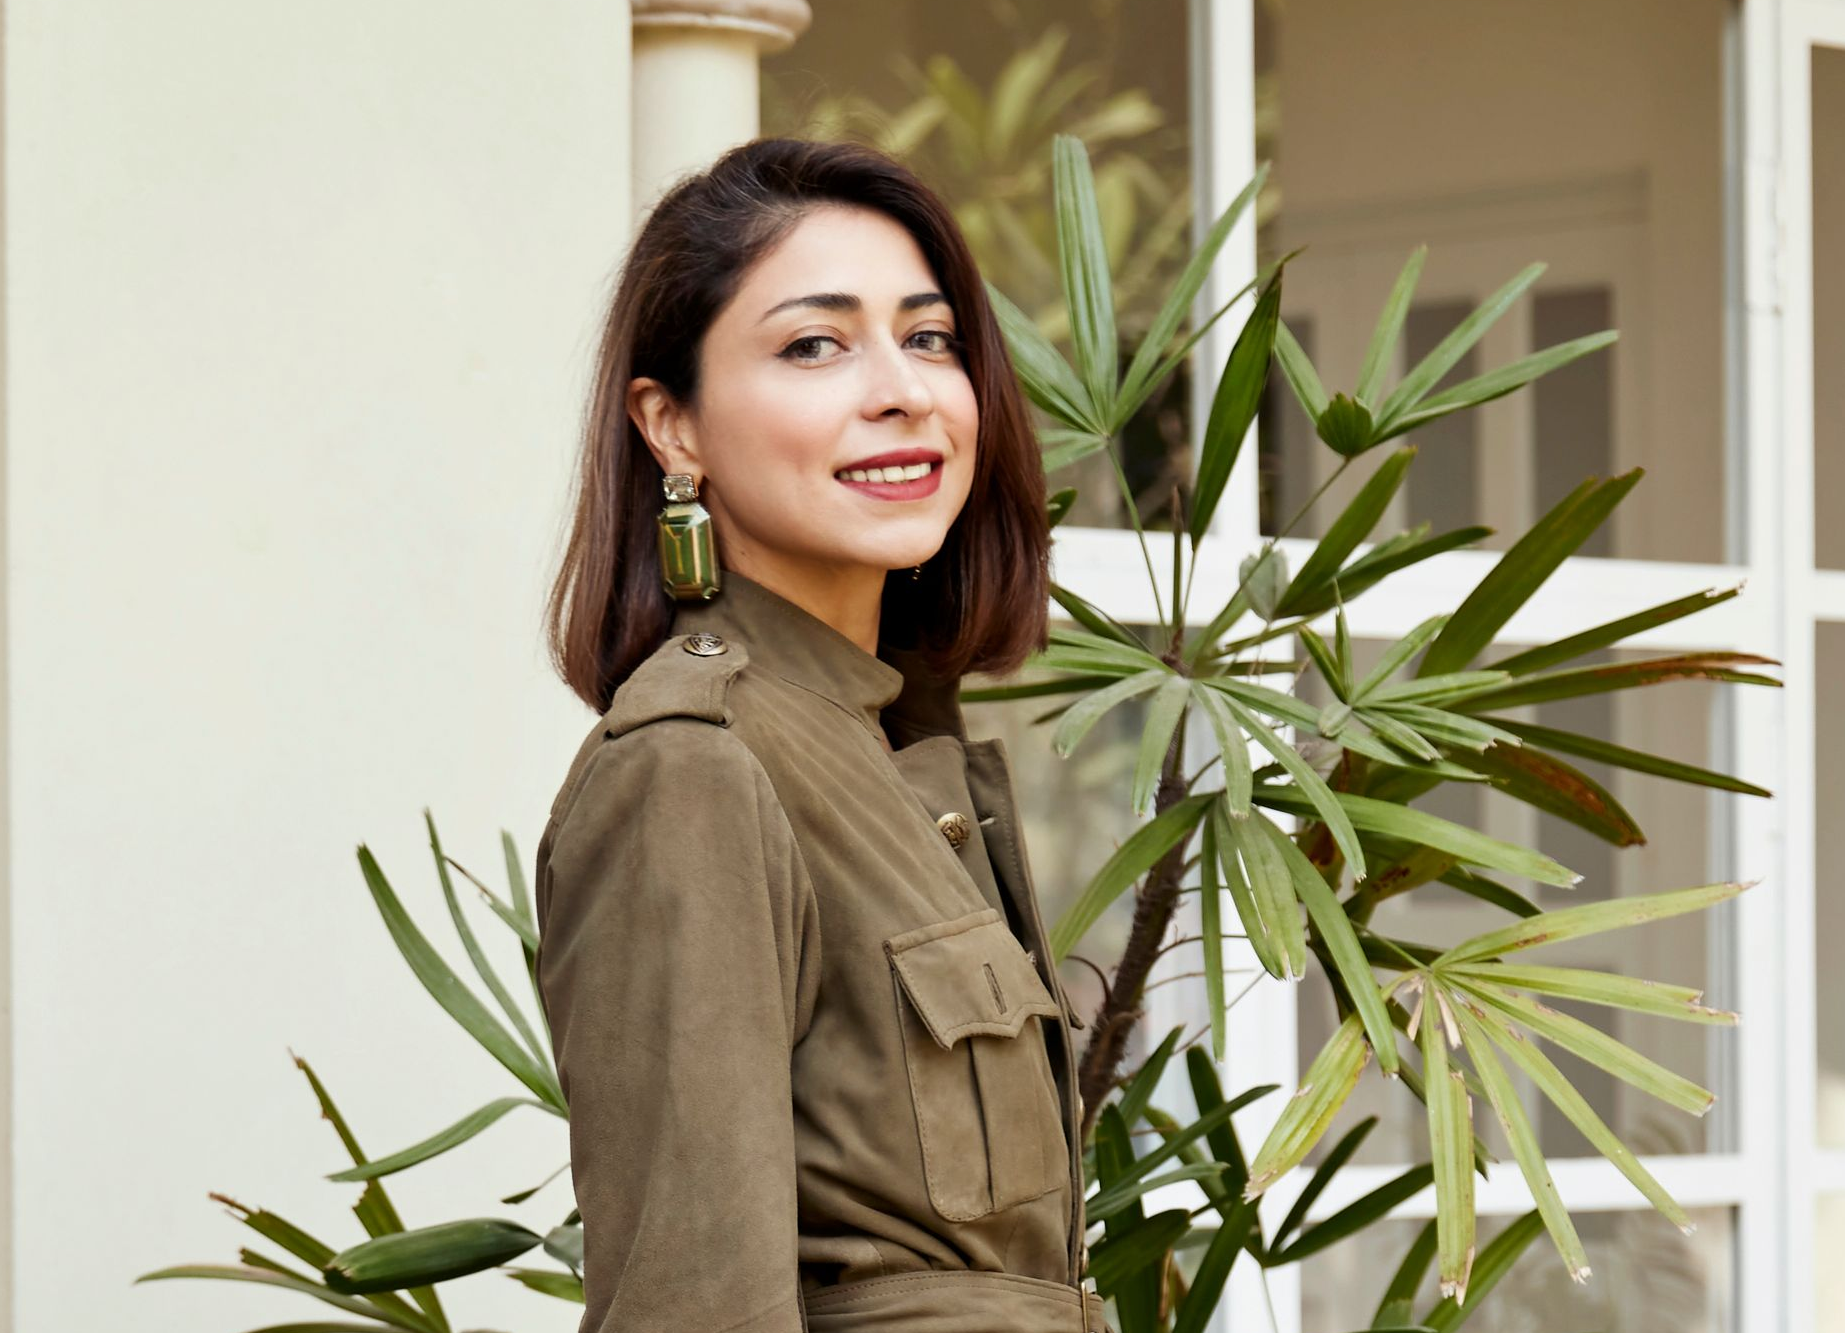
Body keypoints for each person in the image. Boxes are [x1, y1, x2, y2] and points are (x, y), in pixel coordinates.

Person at [535, 136, 1107, 1333]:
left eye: (931, 337)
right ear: (671, 427)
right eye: (814, 344)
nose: (900, 387)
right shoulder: (696, 765)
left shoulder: (895, 739)